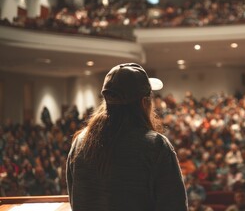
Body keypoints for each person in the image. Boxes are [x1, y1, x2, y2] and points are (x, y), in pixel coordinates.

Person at [66, 63, 188, 211]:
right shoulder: (156, 145)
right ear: (144, 103)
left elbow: (76, 199)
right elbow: (175, 206)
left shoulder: (80, 142)